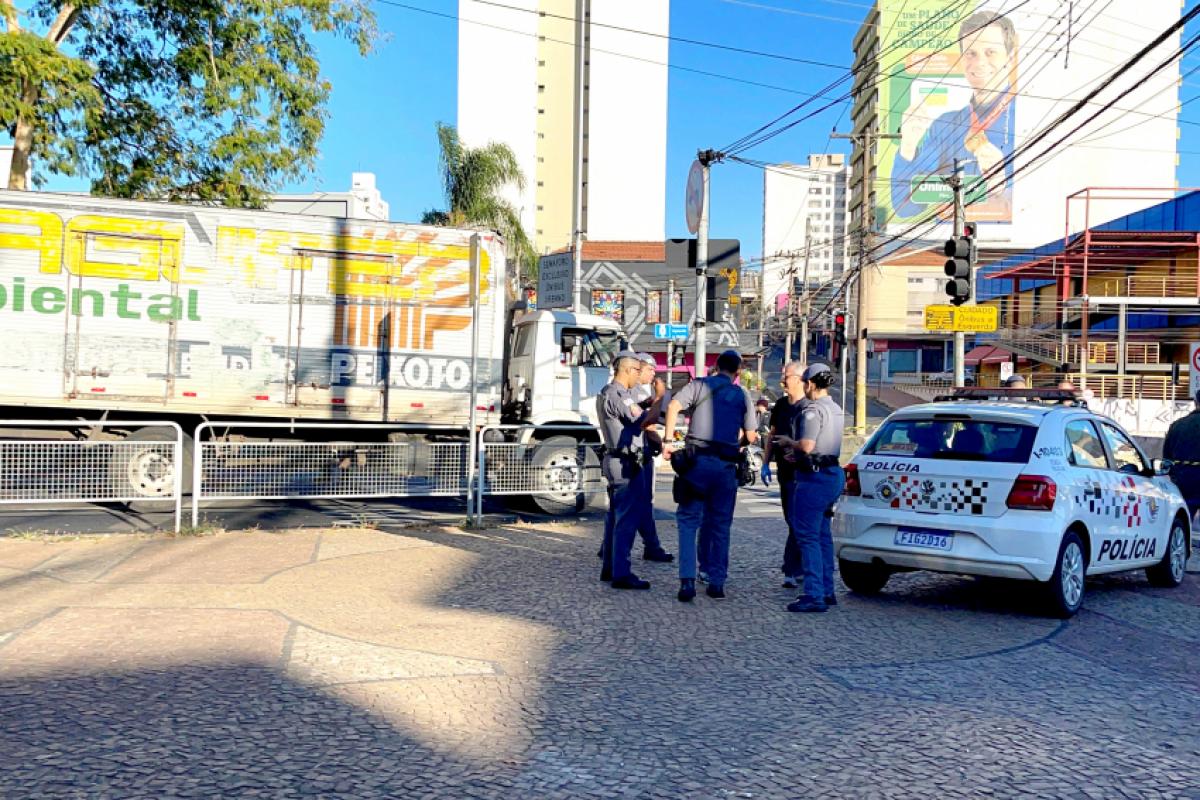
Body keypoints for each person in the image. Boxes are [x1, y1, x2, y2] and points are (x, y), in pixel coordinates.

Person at [890, 10, 1018, 221]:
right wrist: (908, 146)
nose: (979, 63)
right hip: (947, 241)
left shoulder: (1027, 116)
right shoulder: (945, 125)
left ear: (1010, 58)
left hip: (1016, 246)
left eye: (990, 52)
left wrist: (1003, 182)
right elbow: (906, 207)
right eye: (971, 53)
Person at [664, 350, 758, 602]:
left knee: (687, 520)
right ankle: (717, 582)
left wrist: (668, 440)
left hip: (696, 464)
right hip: (726, 466)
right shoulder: (741, 395)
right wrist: (731, 443)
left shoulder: (698, 386)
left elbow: (673, 405)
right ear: (737, 372)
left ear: (716, 366)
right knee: (720, 525)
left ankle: (687, 581)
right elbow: (750, 436)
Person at [776, 363, 844, 613]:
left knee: (807, 536)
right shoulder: (835, 408)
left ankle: (814, 594)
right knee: (823, 535)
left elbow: (806, 444)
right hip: (831, 473)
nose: (803, 385)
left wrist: (788, 443)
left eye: (805, 380)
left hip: (814, 479)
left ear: (812, 383)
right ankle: (827, 590)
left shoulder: (812, 410)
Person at [596, 351, 658, 590]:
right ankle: (621, 573)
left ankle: (610, 569)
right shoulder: (617, 394)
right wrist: (660, 398)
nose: (637, 375)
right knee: (626, 521)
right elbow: (641, 419)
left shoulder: (609, 393)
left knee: (615, 518)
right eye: (636, 370)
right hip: (625, 463)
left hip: (618, 460)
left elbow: (634, 411)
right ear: (627, 370)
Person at [761, 360, 808, 588]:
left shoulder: (809, 407)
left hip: (804, 473)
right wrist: (765, 462)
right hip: (784, 472)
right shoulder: (780, 405)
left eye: (786, 377)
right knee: (792, 519)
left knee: (798, 520)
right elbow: (772, 434)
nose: (783, 381)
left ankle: (792, 567)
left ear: (799, 379)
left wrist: (798, 451)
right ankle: (794, 566)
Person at [632, 353, 674, 563]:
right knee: (643, 501)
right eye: (650, 369)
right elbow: (648, 423)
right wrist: (662, 443)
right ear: (639, 368)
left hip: (639, 451)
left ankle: (609, 546)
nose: (653, 374)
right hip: (639, 452)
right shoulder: (636, 390)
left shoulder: (636, 391)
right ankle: (651, 545)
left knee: (623, 503)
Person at [1164, 390, 1200, 520]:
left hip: (1183, 480)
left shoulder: (1177, 425)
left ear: (1195, 403)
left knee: (1183, 521)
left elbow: (1166, 458)